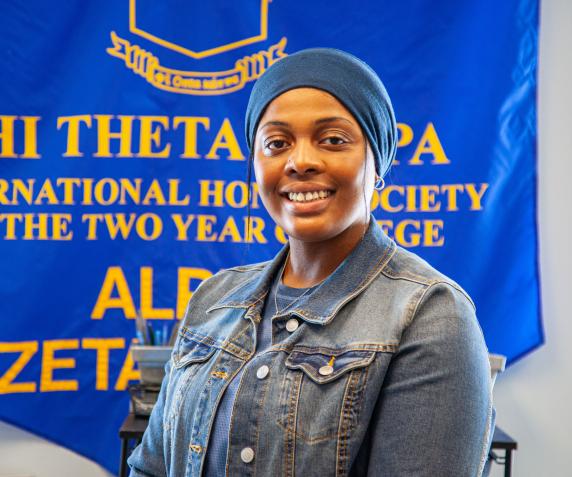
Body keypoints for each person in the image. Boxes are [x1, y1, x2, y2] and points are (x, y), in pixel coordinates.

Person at [128, 48, 494, 477]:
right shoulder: (213, 299)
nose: (300, 161)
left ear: (377, 164)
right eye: (277, 143)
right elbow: (151, 467)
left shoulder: (431, 316)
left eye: (333, 140)